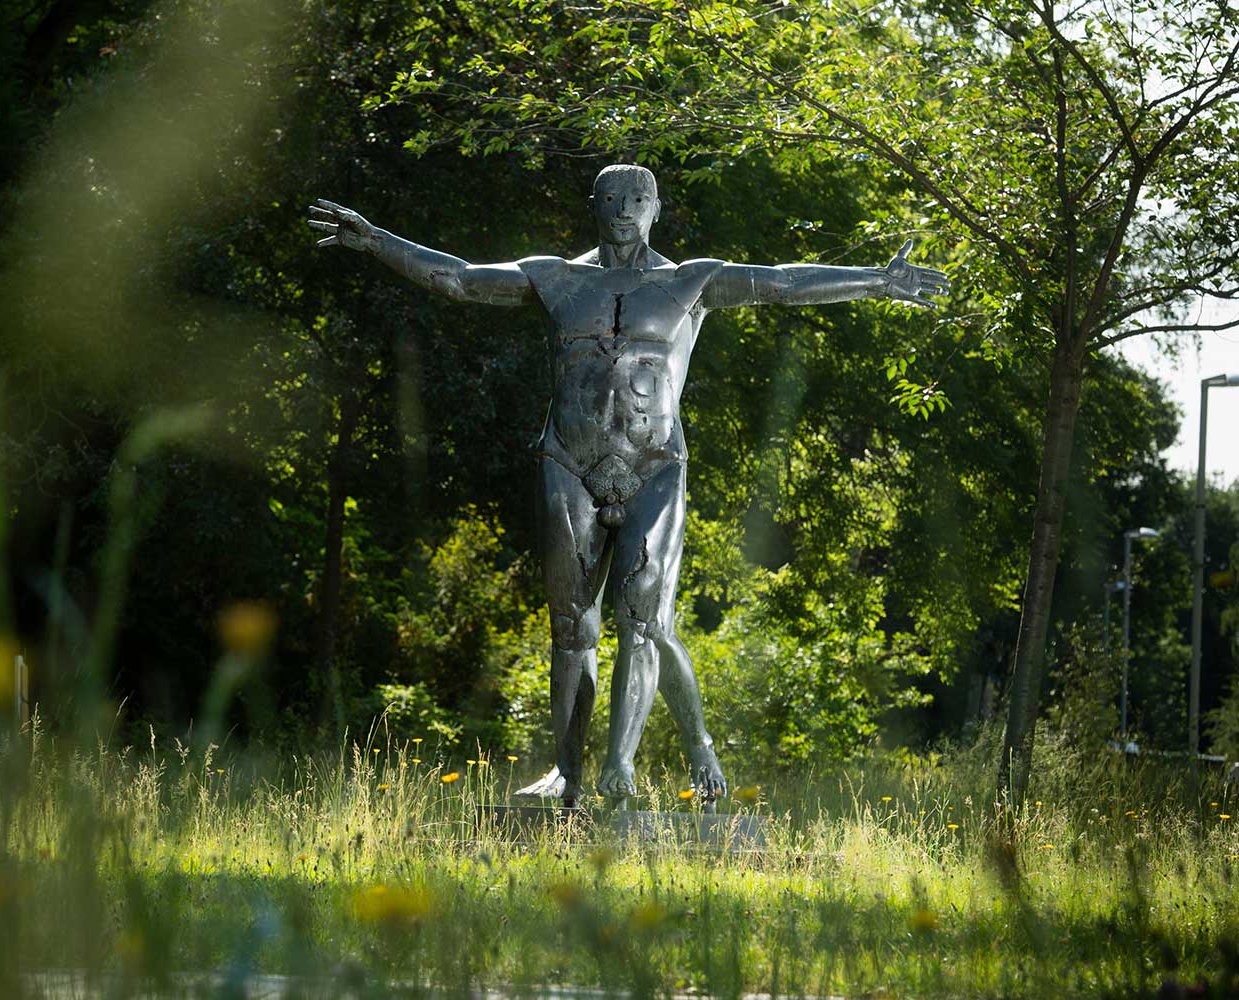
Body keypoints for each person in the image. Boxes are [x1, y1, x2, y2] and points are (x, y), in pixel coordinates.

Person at [309, 164, 948, 807]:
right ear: (593, 205)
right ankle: (567, 770)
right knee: (570, 625)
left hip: (654, 464)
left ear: (656, 208)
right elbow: (463, 279)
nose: (624, 209)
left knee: (640, 616)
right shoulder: (556, 277)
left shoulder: (689, 281)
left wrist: (878, 280)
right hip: (569, 459)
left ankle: (620, 764)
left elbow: (781, 283)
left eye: (638, 198)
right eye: (612, 197)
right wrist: (379, 241)